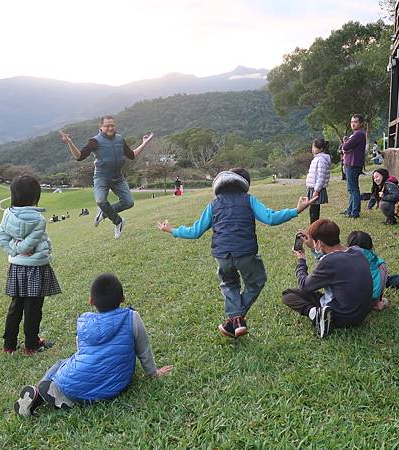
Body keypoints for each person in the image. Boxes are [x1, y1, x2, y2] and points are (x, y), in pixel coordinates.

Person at [157, 168, 314, 338]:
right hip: (245, 253)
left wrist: (172, 230)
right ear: (244, 185)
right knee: (256, 281)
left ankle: (234, 320)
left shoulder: (213, 204)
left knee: (229, 284)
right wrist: (296, 210)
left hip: (222, 255)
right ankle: (237, 318)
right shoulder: (249, 200)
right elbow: (270, 218)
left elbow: (195, 231)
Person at [13, 273, 173, 417]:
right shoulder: (132, 318)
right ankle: (49, 393)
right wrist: (154, 374)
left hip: (73, 384)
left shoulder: (84, 322)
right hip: (116, 386)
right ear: (123, 298)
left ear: (91, 301)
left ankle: (40, 389)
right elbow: (144, 351)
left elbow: (80, 352)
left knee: (62, 363)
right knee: (67, 371)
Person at [59, 115, 154, 239]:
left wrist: (144, 143)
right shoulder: (95, 141)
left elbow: (132, 155)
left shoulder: (120, 139)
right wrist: (70, 143)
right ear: (101, 127)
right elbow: (79, 156)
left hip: (118, 177)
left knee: (129, 202)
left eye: (112, 125)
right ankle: (118, 221)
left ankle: (103, 214)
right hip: (101, 177)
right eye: (107, 126)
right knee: (100, 200)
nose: (110, 128)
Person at [0, 174, 61, 355]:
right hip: (36, 267)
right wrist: (23, 248)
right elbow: (31, 242)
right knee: (33, 308)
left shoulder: (7, 214)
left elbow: (1, 240)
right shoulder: (38, 219)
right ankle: (32, 345)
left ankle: (9, 345)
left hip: (16, 267)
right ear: (35, 197)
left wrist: (15, 248)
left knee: (15, 306)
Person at [282, 219, 373, 338]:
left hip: (342, 316)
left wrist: (301, 260)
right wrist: (313, 247)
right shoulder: (357, 251)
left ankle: (315, 315)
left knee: (288, 295)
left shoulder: (329, 262)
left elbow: (305, 286)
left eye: (314, 241)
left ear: (319, 243)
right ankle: (321, 313)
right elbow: (334, 260)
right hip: (361, 313)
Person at [347, 231, 388, 311]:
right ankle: (378, 303)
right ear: (370, 245)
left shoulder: (343, 260)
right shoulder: (380, 263)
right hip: (371, 301)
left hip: (348, 302)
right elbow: (381, 283)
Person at [341, 115, 366, 218]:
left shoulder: (358, 134)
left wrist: (345, 145)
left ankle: (355, 212)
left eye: (355, 122)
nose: (353, 124)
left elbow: (345, 147)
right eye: (352, 122)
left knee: (354, 189)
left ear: (361, 123)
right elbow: (345, 147)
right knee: (351, 189)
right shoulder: (356, 134)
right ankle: (350, 210)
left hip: (352, 164)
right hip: (350, 164)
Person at [305, 138, 331, 224]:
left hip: (316, 188)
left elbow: (321, 177)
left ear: (321, 149)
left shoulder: (321, 160)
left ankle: (313, 229)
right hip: (313, 187)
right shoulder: (317, 158)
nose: (312, 149)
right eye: (312, 147)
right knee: (313, 210)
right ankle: (313, 228)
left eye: (314, 147)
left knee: (314, 211)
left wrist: (316, 190)